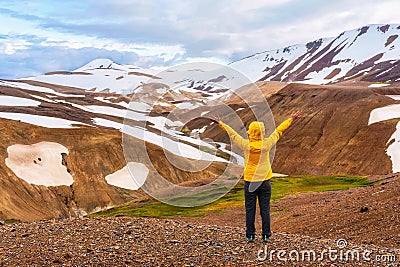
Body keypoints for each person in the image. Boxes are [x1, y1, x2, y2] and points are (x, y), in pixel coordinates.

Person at [210, 111, 302, 243]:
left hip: (250, 182)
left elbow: (232, 134)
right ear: (262, 132)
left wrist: (220, 123)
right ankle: (265, 235)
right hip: (265, 182)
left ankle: (250, 235)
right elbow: (279, 131)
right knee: (265, 209)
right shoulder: (267, 144)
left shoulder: (246, 145)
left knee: (250, 209)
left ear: (251, 132)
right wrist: (291, 119)